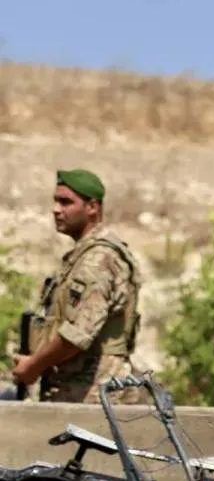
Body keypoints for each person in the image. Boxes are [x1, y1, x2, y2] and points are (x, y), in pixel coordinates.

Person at [9, 169, 142, 403]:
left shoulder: (98, 259)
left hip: (93, 395)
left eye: (66, 202)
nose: (56, 210)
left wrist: (33, 366)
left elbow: (77, 335)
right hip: (77, 392)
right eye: (55, 201)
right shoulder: (83, 256)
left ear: (92, 208)